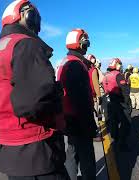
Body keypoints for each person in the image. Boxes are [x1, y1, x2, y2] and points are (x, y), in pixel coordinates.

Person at [0, 0, 69, 179]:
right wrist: (56, 98)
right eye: (36, 16)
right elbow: (30, 104)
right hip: (38, 153)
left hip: (12, 153)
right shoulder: (27, 45)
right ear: (24, 15)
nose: (38, 24)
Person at [57, 29, 97, 180]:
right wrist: (89, 124)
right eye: (85, 41)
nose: (87, 45)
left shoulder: (66, 61)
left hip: (68, 116)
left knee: (72, 153)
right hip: (79, 119)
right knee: (86, 155)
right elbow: (81, 99)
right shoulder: (76, 65)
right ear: (80, 43)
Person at [103, 58, 132, 151]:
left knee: (113, 121)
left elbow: (105, 88)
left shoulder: (106, 75)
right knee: (126, 122)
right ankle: (122, 143)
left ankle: (115, 138)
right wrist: (127, 102)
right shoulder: (118, 75)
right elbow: (125, 90)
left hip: (110, 101)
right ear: (117, 65)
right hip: (120, 101)